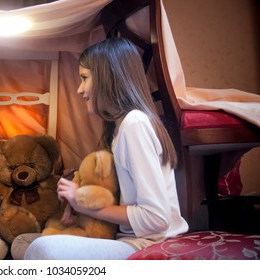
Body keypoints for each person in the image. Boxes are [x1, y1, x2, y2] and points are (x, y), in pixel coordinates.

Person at [11, 37, 189, 260]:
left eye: (84, 78)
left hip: (148, 244)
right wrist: (80, 182)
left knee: (41, 250)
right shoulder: (120, 127)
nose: (79, 89)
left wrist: (82, 204)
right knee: (22, 243)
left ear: (109, 78)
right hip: (126, 238)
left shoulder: (135, 124)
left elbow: (156, 218)